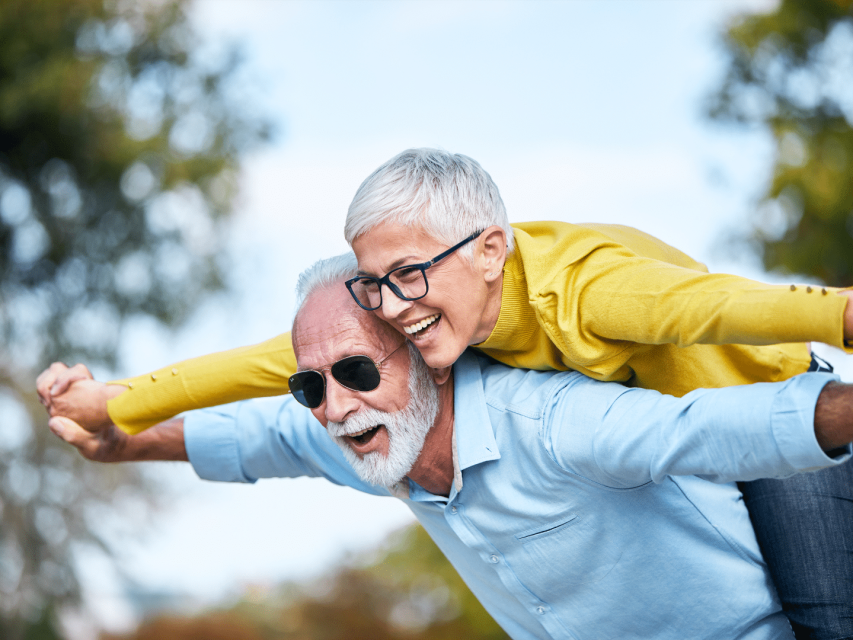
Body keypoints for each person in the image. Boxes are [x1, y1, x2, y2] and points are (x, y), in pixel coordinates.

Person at [42, 149, 853, 637]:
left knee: (827, 618)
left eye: (409, 277)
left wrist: (843, 318)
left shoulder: (580, 319)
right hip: (695, 442)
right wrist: (120, 409)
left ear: (491, 250)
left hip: (777, 416)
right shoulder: (387, 385)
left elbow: (722, 324)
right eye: (375, 284)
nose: (393, 305)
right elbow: (260, 395)